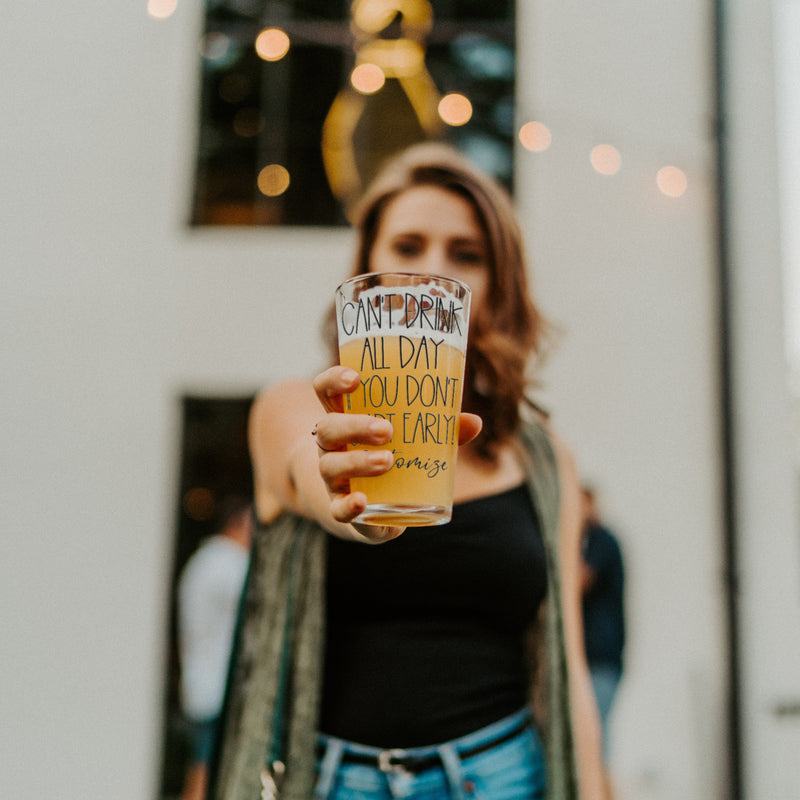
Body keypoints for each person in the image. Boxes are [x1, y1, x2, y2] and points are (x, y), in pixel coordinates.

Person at [219, 143, 606, 800]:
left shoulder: (541, 457)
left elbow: (568, 662)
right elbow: (310, 476)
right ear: (367, 264)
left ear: (497, 283)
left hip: (504, 775)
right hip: (330, 782)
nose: (430, 273)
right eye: (407, 246)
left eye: (466, 255)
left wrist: (594, 789)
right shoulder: (295, 407)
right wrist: (354, 502)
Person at [176, 495, 253, 800]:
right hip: (218, 689)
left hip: (201, 685)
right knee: (206, 772)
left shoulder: (203, 560)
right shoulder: (228, 564)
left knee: (200, 768)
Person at [580, 487, 625, 761]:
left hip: (600, 661)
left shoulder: (601, 541)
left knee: (595, 749)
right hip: (594, 662)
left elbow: (577, 581)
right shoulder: (590, 543)